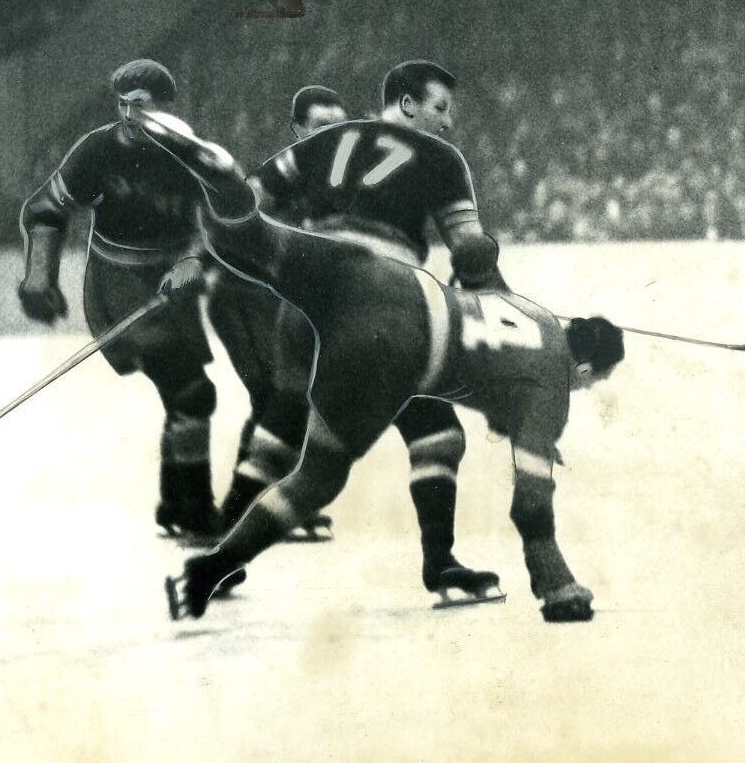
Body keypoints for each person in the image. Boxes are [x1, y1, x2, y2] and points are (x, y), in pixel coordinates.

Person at [137, 107, 624, 623]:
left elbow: (480, 269)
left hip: (368, 275)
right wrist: (557, 583)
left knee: (254, 238)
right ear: (587, 370)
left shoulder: (538, 316)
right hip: (391, 346)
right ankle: (208, 574)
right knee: (318, 478)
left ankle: (223, 181)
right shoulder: (552, 384)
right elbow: (530, 503)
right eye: (587, 385)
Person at [218, 60, 511, 604]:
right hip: (379, 304)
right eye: (440, 109)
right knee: (436, 434)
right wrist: (495, 292)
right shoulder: (442, 159)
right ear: (406, 105)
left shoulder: (326, 140)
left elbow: (247, 201)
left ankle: (221, 554)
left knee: (281, 423)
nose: (447, 125)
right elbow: (469, 246)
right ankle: (440, 562)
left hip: (305, 296)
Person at [17, 58, 220, 541]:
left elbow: (215, 219)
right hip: (118, 288)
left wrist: (196, 259)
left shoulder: (190, 154)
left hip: (172, 287)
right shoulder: (97, 151)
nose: (130, 117)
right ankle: (194, 511)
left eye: (143, 106)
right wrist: (39, 278)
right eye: (123, 105)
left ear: (169, 108)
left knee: (185, 395)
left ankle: (175, 504)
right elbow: (45, 208)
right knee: (193, 392)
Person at [207, 86, 349, 541]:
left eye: (339, 126)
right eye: (322, 127)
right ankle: (241, 511)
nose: (333, 135)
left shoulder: (341, 181)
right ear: (298, 130)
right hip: (241, 300)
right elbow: (233, 220)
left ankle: (267, 502)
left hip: (280, 306)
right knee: (274, 398)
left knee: (289, 400)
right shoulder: (279, 176)